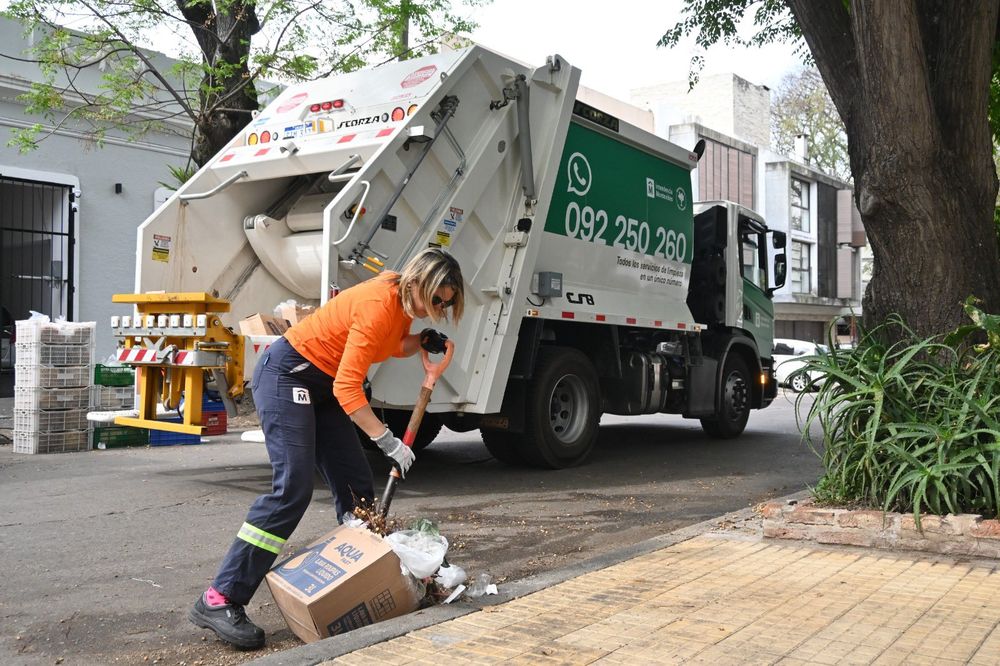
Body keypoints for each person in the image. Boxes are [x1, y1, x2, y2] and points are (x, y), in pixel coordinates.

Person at [189, 248, 465, 649]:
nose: (438, 308)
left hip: (321, 387)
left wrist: (419, 340)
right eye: (436, 298)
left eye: (446, 303)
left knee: (357, 493)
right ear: (418, 280)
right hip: (288, 375)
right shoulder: (378, 302)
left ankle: (358, 586)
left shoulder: (400, 302)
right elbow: (348, 389)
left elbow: (387, 346)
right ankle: (220, 597)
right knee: (293, 489)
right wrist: (387, 442)